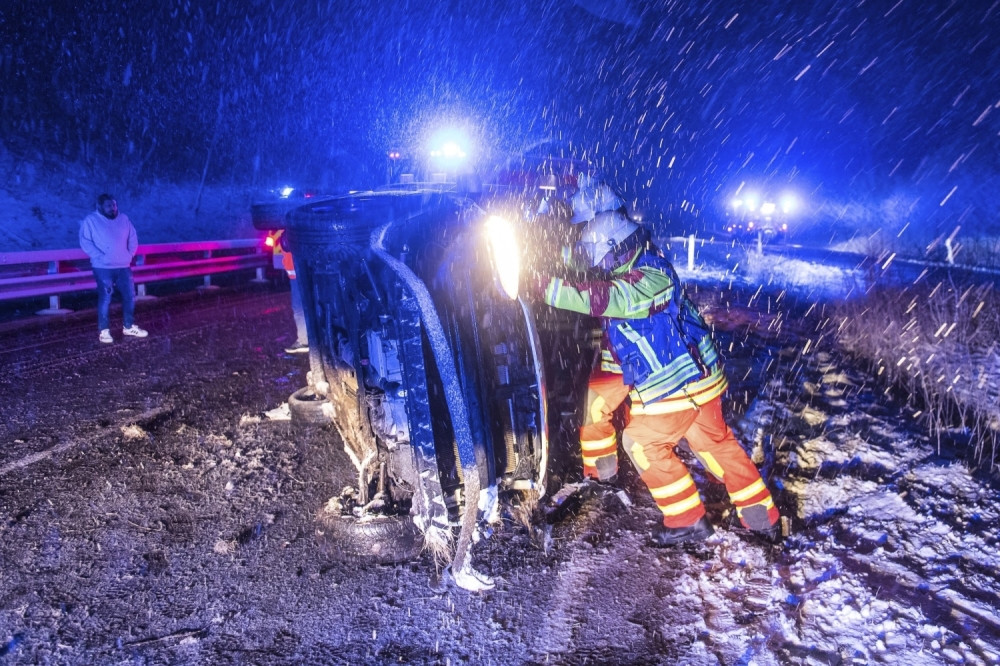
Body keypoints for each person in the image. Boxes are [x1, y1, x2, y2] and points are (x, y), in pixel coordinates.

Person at [528, 177, 782, 546]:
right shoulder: (634, 257)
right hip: (696, 376)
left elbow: (607, 298)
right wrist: (544, 254)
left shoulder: (649, 275)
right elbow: (588, 270)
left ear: (611, 240)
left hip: (678, 381)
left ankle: (686, 520)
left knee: (642, 442)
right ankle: (762, 519)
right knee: (714, 445)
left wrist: (541, 286)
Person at [78, 194, 148, 344]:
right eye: (109, 206)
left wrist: (129, 255)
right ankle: (104, 331)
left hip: (123, 266)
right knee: (105, 298)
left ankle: (128, 326)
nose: (113, 208)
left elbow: (133, 238)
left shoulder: (124, 219)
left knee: (130, 296)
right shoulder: (91, 220)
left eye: (114, 205)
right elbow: (85, 241)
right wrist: (99, 256)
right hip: (103, 267)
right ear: (100, 207)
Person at [266, 229, 309, 354]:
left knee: (300, 309)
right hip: (302, 273)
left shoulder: (289, 232)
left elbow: (287, 248)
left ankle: (304, 341)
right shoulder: (299, 228)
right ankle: (314, 339)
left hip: (297, 275)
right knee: (308, 307)